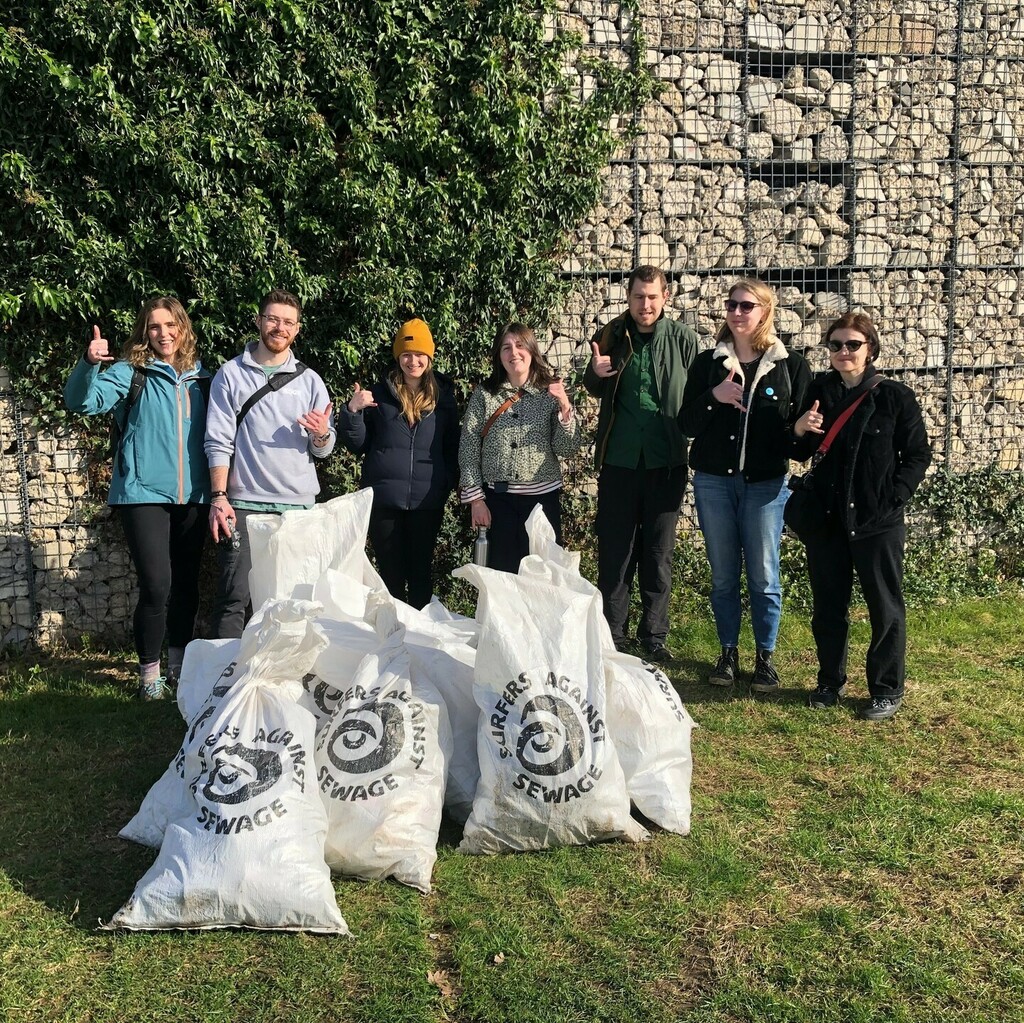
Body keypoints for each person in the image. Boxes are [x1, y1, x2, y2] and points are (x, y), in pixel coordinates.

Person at [64, 297, 210, 700]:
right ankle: (149, 677)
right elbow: (80, 402)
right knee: (156, 586)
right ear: (144, 332)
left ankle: (180, 670)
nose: (163, 334)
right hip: (141, 493)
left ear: (183, 328)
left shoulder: (204, 378)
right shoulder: (131, 372)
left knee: (185, 586)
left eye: (170, 325)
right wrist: (89, 363)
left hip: (194, 496)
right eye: (154, 326)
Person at [792, 312, 931, 721]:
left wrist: (895, 497)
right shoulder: (818, 391)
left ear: (870, 348)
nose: (843, 352)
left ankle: (887, 689)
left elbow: (917, 455)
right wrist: (799, 428)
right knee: (828, 605)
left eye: (852, 344)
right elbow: (799, 452)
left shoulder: (895, 397)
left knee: (884, 605)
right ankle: (829, 681)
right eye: (835, 345)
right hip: (828, 520)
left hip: (877, 520)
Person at [679, 279, 813, 691]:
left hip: (766, 487)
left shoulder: (791, 366)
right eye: (732, 304)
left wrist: (802, 431)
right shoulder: (708, 363)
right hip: (714, 483)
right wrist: (713, 396)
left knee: (763, 575)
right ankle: (727, 653)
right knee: (723, 575)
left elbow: (799, 444)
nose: (737, 312)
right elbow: (686, 424)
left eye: (746, 306)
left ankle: (765, 659)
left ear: (764, 311)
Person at [583, 265, 698, 663]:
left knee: (657, 552)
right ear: (628, 298)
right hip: (620, 460)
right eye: (637, 297)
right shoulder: (611, 336)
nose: (645, 304)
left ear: (665, 298)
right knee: (615, 550)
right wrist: (596, 374)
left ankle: (654, 635)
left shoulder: (685, 340)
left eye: (652, 297)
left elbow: (697, 393)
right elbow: (594, 383)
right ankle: (612, 633)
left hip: (666, 461)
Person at [205, 289, 335, 638]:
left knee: (295, 600)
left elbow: (322, 450)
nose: (280, 327)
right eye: (273, 319)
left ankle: (286, 681)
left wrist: (322, 434)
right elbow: (218, 440)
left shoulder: (310, 380)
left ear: (297, 329)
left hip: (298, 510)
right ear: (259, 321)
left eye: (288, 322)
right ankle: (226, 684)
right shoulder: (230, 374)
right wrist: (219, 497)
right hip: (245, 506)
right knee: (235, 597)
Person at [337, 318, 459, 608]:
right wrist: (353, 412)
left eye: (419, 354)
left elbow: (452, 447)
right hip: (384, 502)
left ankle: (419, 643)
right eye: (406, 354)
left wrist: (445, 485)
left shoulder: (444, 397)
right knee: (389, 578)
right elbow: (358, 445)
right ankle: (392, 642)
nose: (412, 360)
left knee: (420, 577)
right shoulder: (377, 395)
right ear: (397, 356)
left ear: (429, 357)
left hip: (427, 502)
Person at [459, 323, 579, 573]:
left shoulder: (550, 393)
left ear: (532, 350)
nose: (514, 353)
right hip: (499, 503)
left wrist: (565, 408)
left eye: (520, 345)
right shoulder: (485, 395)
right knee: (502, 579)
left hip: (542, 505)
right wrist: (476, 500)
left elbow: (566, 449)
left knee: (543, 579)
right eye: (506, 347)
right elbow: (469, 446)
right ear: (498, 356)